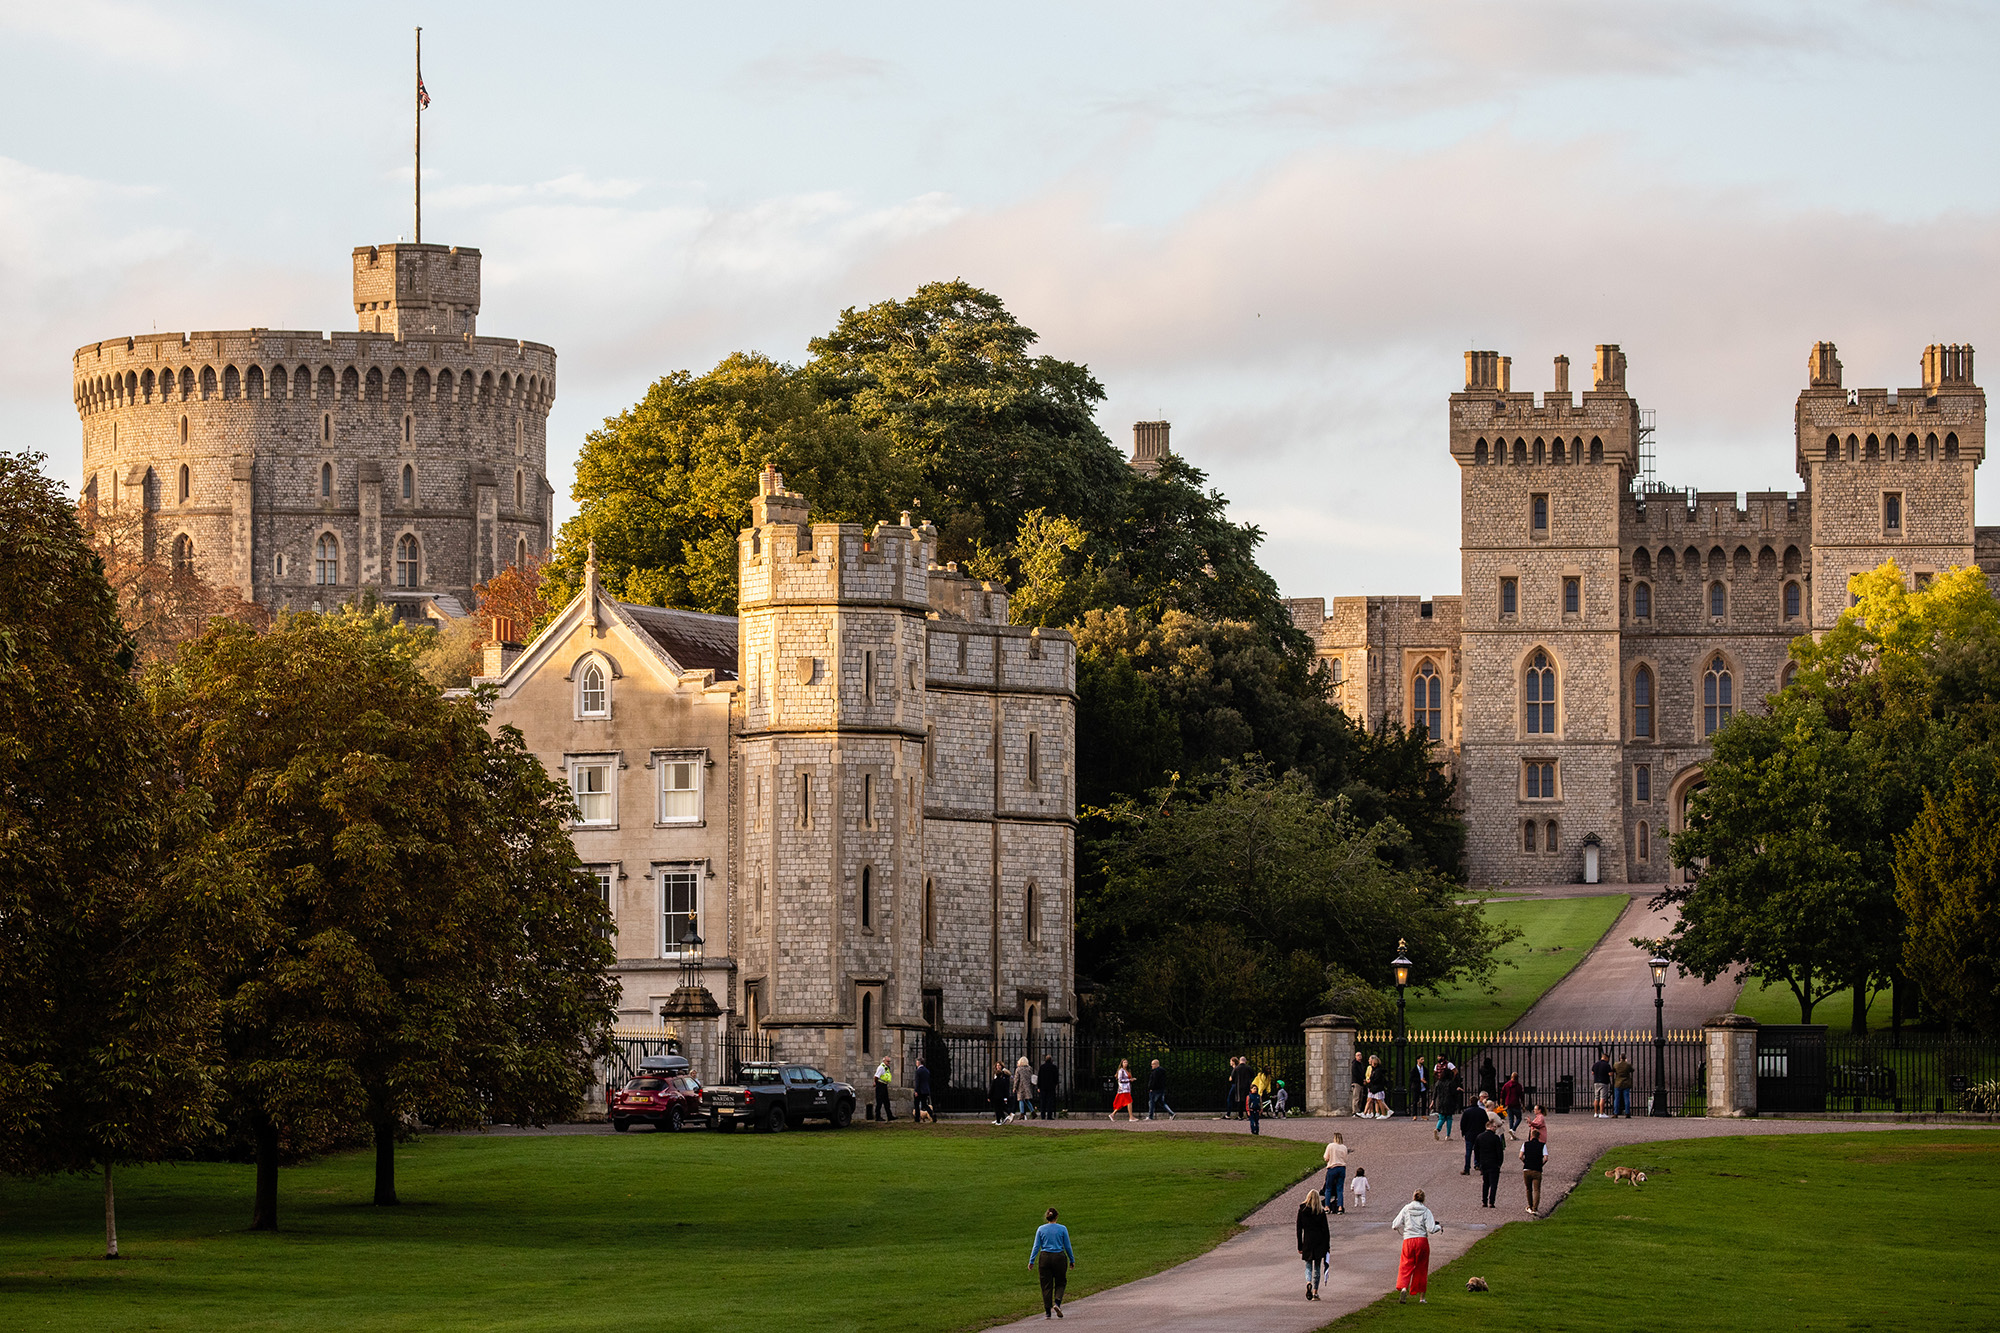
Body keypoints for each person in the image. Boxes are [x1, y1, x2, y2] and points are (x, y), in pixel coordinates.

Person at [1390, 1189, 1442, 1304]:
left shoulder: (1406, 1208)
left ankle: (1403, 1287)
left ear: (1413, 1197)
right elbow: (1431, 1229)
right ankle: (1421, 1298)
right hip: (1422, 1241)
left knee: (1405, 1265)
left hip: (1408, 1240)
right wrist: (1439, 1227)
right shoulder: (1426, 1211)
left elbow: (1395, 1224)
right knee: (1421, 1268)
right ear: (1423, 1199)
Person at [1028, 1207, 1076, 1319]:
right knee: (1061, 1281)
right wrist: (1071, 1259)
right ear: (1056, 1217)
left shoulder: (1041, 1229)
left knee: (1046, 1284)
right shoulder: (1062, 1228)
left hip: (1045, 1257)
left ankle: (1047, 1312)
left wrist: (1031, 1261)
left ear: (1047, 1217)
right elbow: (1067, 1246)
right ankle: (1057, 1303)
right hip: (1059, 1257)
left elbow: (1036, 1246)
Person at [1296, 1191, 1330, 1301]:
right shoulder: (1320, 1211)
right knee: (1317, 1267)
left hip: (1307, 1241)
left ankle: (1308, 1282)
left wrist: (1300, 1246)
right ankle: (1315, 1292)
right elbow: (1326, 1230)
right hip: (1319, 1241)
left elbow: (1299, 1229)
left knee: (1308, 1266)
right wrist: (1327, 1245)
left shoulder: (1302, 1210)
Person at [1474, 1120, 1505, 1208]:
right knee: (1493, 1183)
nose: (1495, 1128)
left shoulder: (1479, 1137)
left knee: (1485, 1183)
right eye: (1494, 1127)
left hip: (1484, 1162)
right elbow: (1499, 1151)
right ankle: (1491, 1202)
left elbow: (1476, 1150)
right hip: (1494, 1163)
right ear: (1490, 1127)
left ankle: (1484, 1201)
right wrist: (1500, 1163)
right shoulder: (1495, 1138)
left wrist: (1479, 1162)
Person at [1321, 1132, 1348, 1212]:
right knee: (1340, 1188)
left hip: (1332, 1168)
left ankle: (1327, 1206)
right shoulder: (1344, 1147)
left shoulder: (1330, 1146)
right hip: (1342, 1168)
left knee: (1328, 1188)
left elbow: (1326, 1157)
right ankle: (1340, 1207)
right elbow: (1345, 1159)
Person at [1521, 1132, 1546, 1216]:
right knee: (1536, 1190)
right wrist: (1541, 1164)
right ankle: (1535, 1208)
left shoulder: (1525, 1144)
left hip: (1527, 1169)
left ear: (1531, 1136)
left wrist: (1525, 1162)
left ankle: (1530, 1206)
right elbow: (1546, 1158)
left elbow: (1520, 1156)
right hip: (1537, 1170)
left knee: (1528, 1189)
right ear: (1539, 1136)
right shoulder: (1542, 1145)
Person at [1459, 1096, 1485, 1173]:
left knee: (1468, 1152)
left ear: (1470, 1102)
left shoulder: (1466, 1112)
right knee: (1479, 1151)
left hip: (1469, 1134)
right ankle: (1480, 1167)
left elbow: (1462, 1124)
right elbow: (1486, 1122)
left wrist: (1464, 1132)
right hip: (1479, 1134)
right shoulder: (1481, 1111)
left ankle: (1467, 1168)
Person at [1108, 1058, 1136, 1122]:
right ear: (1122, 1063)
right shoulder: (1121, 1071)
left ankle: (1113, 1114)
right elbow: (1120, 1080)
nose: (1126, 1063)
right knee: (1129, 1102)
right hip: (1123, 1089)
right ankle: (1131, 1117)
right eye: (1124, 1062)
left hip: (1127, 1089)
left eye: (1126, 1062)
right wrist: (1129, 1080)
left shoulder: (1127, 1070)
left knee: (1122, 1103)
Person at [1012, 1056, 1035, 1122]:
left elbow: (1016, 1079)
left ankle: (1022, 1114)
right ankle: (1033, 1112)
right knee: (1027, 1100)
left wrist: (1014, 1087)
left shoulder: (1018, 1069)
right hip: (1027, 1086)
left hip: (1021, 1086)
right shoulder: (1029, 1068)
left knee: (1021, 1100)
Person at [1612, 1051, 1635, 1118]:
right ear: (1625, 1058)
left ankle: (1616, 1113)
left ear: (1620, 1058)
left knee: (1617, 1099)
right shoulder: (1628, 1065)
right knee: (1626, 1098)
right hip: (1626, 1083)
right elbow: (1632, 1070)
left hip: (1618, 1083)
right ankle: (1627, 1113)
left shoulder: (1616, 1064)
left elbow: (1613, 1071)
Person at [1591, 1051, 1613, 1118]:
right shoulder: (1607, 1065)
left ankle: (1595, 1113)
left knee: (1596, 1098)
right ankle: (1601, 1113)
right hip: (1603, 1082)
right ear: (1606, 1058)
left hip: (1596, 1082)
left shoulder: (1595, 1064)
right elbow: (1610, 1074)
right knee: (1602, 1098)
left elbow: (1592, 1072)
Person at [1039, 1054, 1061, 1120]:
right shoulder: (1054, 1067)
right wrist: (1055, 1084)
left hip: (1043, 1087)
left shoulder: (1042, 1067)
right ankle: (1049, 1115)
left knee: (1043, 1101)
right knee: (1050, 1101)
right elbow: (1056, 1077)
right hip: (1051, 1087)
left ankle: (1042, 1115)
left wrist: (1039, 1086)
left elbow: (1039, 1077)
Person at [913, 1057, 934, 1124]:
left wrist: (916, 1090)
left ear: (919, 1062)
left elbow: (917, 1082)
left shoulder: (918, 1071)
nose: (916, 1063)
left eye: (916, 1062)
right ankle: (932, 1114)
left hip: (919, 1090)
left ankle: (917, 1118)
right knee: (925, 1104)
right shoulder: (926, 1070)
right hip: (925, 1090)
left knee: (916, 1104)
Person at [1408, 1056, 1428, 1120]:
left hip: (1423, 1087)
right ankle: (1414, 1114)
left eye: (1423, 1059)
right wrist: (1420, 1080)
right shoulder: (1414, 1069)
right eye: (1421, 1059)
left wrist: (1425, 1081)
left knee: (1424, 1101)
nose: (1423, 1061)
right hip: (1416, 1087)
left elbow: (1427, 1076)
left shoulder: (1424, 1069)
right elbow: (1411, 1078)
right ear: (1418, 1060)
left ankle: (1423, 1114)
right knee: (1415, 1101)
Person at [1350, 1049, 1367, 1115]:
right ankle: (1355, 1111)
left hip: (1360, 1082)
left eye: (1360, 1055)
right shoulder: (1355, 1064)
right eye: (1358, 1055)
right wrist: (1362, 1080)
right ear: (1355, 1056)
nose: (1359, 1056)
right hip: (1357, 1082)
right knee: (1356, 1097)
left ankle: (1358, 1110)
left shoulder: (1361, 1064)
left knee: (1360, 1097)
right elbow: (1356, 1074)